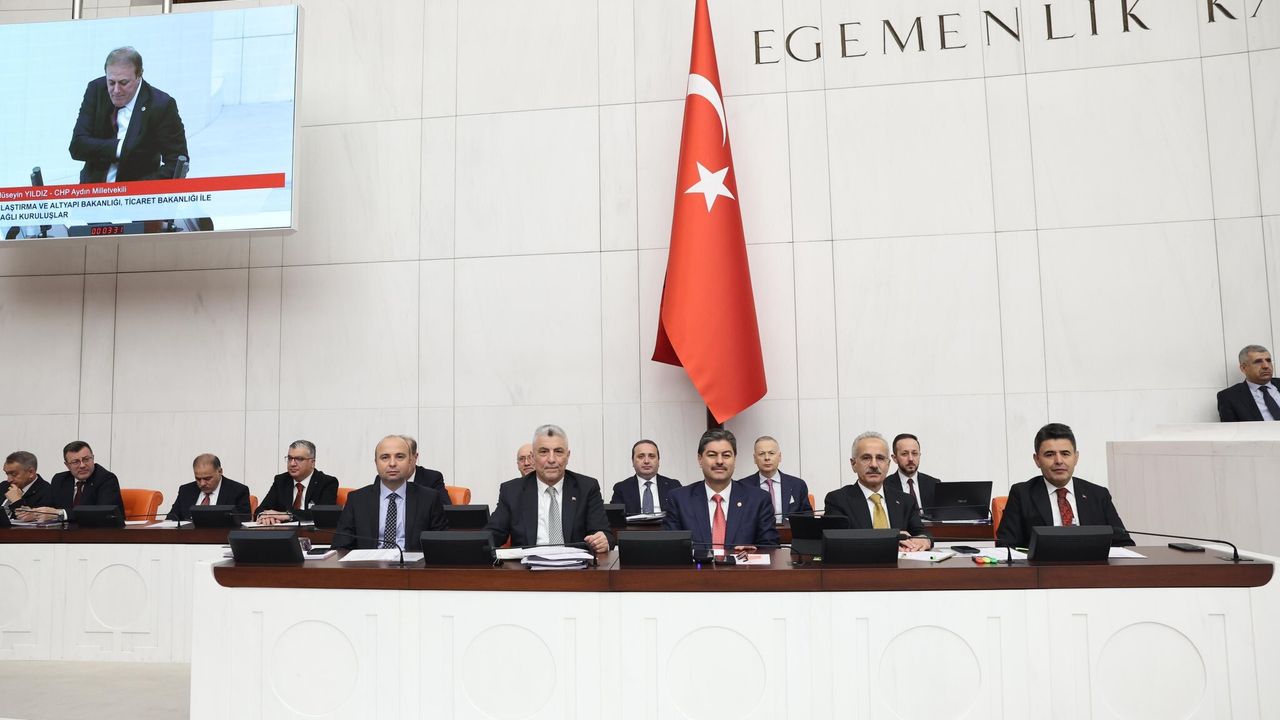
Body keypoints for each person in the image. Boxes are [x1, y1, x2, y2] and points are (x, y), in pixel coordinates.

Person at [996, 423, 1133, 548]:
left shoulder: (1098, 495)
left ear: (1076, 458)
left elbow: (1124, 543)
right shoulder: (1022, 494)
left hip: (1092, 566)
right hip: (1043, 566)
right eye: (1050, 454)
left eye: (1065, 454)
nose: (1059, 461)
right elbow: (1005, 545)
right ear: (1037, 460)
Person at [69, 46, 188, 183]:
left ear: (139, 76)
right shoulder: (96, 90)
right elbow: (77, 146)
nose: (116, 90)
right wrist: (120, 148)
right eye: (111, 82)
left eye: (123, 83)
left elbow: (176, 163)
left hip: (138, 191)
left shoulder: (160, 105)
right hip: (94, 190)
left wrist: (137, 190)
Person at [485, 425, 612, 553]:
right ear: (533, 456)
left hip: (575, 564)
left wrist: (602, 540)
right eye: (544, 452)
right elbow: (492, 534)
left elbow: (605, 534)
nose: (551, 460)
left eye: (558, 451)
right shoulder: (512, 491)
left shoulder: (587, 487)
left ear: (567, 456)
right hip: (528, 564)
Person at [663, 429, 779, 551]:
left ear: (734, 459)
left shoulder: (758, 500)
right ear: (700, 459)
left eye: (726, 455)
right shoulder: (679, 499)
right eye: (712, 455)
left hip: (743, 563)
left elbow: (770, 547)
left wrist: (753, 554)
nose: (719, 461)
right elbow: (671, 548)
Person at [332, 436, 447, 551]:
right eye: (385, 457)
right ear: (376, 462)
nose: (392, 463)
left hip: (412, 562)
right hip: (370, 562)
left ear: (410, 461)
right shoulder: (357, 499)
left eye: (400, 457)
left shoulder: (429, 498)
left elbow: (441, 545)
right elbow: (341, 546)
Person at [822, 432, 931, 551]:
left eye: (880, 458)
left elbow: (921, 532)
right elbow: (837, 541)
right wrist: (891, 537)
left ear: (888, 464)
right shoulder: (838, 500)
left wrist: (924, 539)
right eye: (866, 458)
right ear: (853, 464)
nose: (874, 465)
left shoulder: (905, 500)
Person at [19, 441, 122, 521]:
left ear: (93, 458)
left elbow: (103, 513)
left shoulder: (106, 479)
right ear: (67, 465)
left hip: (98, 535)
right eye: (75, 462)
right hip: (64, 536)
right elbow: (49, 507)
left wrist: (61, 514)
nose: (82, 465)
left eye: (86, 459)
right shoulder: (60, 480)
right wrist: (35, 513)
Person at [255, 440, 339, 524]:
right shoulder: (281, 481)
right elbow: (260, 510)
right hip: (284, 531)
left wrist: (288, 515)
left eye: (299, 459)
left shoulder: (327, 482)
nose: (292, 464)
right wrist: (265, 517)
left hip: (312, 531)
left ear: (312, 463)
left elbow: (324, 514)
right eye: (290, 458)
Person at [738, 435, 811, 522]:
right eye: (761, 454)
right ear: (755, 459)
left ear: (779, 457)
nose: (767, 458)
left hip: (789, 530)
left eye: (771, 453)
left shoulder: (798, 485)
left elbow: (808, 517)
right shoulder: (742, 486)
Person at [164, 454, 250, 522]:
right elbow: (171, 518)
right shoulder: (185, 491)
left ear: (220, 471)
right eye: (198, 479)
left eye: (207, 479)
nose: (202, 483)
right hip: (188, 537)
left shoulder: (238, 491)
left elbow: (244, 521)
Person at [610, 439, 681, 515]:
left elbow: (683, 514)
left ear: (658, 461)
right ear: (633, 461)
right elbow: (615, 518)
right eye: (641, 456)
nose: (646, 461)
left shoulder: (673, 486)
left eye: (652, 456)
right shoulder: (621, 488)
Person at [1218, 344, 1280, 422]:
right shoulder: (1229, 397)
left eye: (1268, 360)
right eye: (1258, 362)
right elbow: (1230, 428)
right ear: (1244, 368)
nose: (1266, 366)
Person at [887, 433, 940, 511]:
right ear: (895, 458)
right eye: (904, 454)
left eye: (914, 453)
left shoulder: (934, 484)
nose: (911, 459)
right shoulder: (885, 486)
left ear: (919, 455)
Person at [402, 435, 452, 505]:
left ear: (415, 457)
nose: (394, 463)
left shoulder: (432, 478)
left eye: (401, 457)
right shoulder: (386, 479)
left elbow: (444, 507)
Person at [2, 451, 50, 518]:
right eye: (7, 474)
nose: (9, 480)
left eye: (14, 474)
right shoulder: (4, 486)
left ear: (31, 472)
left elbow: (28, 519)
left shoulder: (47, 492)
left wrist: (17, 502)